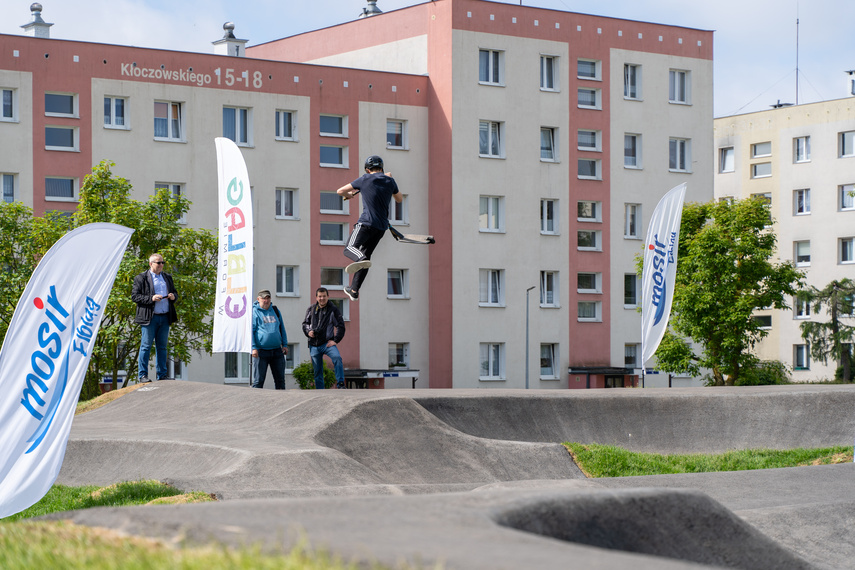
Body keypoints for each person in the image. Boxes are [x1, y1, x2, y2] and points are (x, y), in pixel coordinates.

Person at [336, 154, 402, 302]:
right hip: (380, 228)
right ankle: (354, 290)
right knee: (366, 256)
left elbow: (340, 191)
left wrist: (350, 195)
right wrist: (391, 180)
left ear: (367, 169)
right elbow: (399, 199)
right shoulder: (390, 181)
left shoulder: (364, 179)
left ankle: (361, 258)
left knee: (349, 248)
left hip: (366, 224)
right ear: (382, 167)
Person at [132, 253, 178, 382]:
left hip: (164, 317)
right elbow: (135, 297)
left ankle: (162, 374)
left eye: (163, 262)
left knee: (162, 347)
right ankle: (142, 375)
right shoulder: (141, 278)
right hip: (149, 318)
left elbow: (175, 292)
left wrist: (173, 296)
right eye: (159, 263)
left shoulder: (167, 277)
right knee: (146, 346)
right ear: (151, 263)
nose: (161, 265)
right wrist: (151, 298)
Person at [302, 287, 346, 389]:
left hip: (327, 344)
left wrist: (335, 340)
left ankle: (340, 384)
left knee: (337, 358)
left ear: (328, 296)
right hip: (314, 344)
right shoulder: (311, 309)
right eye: (320, 296)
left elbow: (340, 326)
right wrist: (309, 332)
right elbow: (305, 324)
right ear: (316, 297)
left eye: (324, 296)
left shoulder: (333, 310)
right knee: (317, 371)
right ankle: (320, 391)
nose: (322, 298)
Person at [251, 289, 289, 390]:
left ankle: (281, 403)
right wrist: (253, 347)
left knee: (280, 381)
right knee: (258, 381)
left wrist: (284, 344)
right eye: (264, 298)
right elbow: (251, 331)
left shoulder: (275, 310)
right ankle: (254, 403)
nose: (266, 300)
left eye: (268, 298)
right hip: (261, 352)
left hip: (277, 351)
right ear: (258, 299)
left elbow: (282, 328)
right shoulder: (254, 312)